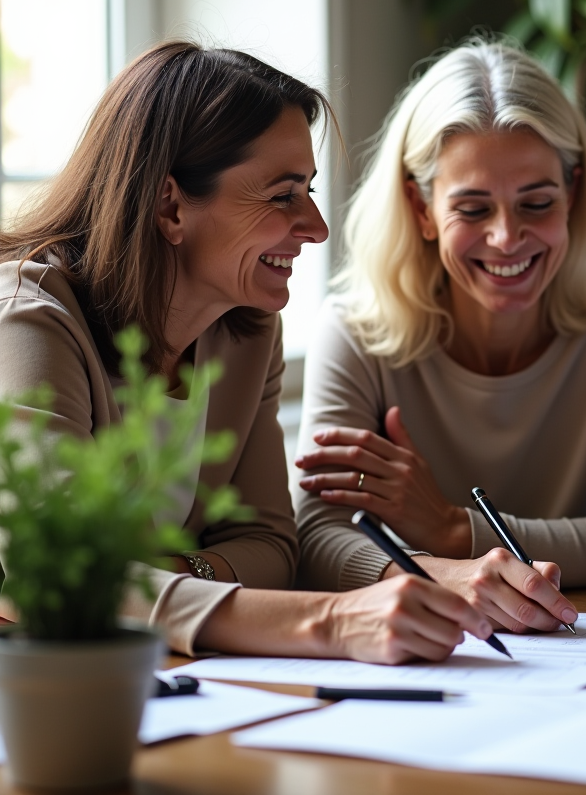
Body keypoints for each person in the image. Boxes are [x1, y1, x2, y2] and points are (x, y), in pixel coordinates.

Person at [0, 42, 495, 662]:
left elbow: (270, 546)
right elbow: (55, 578)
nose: (316, 226)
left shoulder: (248, 330)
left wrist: (155, 575)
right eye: (283, 195)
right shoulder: (28, 322)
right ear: (170, 205)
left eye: (309, 190)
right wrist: (332, 623)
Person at [294, 40, 586, 633]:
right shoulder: (353, 330)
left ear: (573, 196)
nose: (506, 237)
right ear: (421, 208)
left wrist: (454, 530)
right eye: (473, 210)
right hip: (427, 637)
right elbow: (317, 535)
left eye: (537, 203)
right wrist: (441, 575)